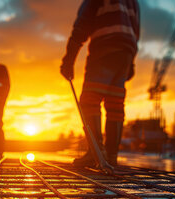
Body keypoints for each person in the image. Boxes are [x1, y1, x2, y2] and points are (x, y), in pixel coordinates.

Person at [60, 0, 140, 167]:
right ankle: (111, 155)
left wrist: (69, 59)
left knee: (89, 99)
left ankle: (96, 154)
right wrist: (131, 61)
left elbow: (82, 24)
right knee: (115, 103)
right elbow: (135, 27)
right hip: (126, 50)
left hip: (105, 45)